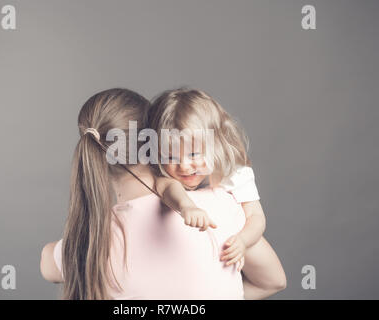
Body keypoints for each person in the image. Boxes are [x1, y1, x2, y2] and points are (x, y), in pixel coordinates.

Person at [40, 88, 286, 299]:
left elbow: (46, 264)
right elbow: (273, 281)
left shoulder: (91, 240)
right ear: (157, 140)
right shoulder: (219, 207)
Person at [147, 88, 266, 270]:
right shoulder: (163, 175)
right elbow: (167, 187)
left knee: (270, 278)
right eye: (171, 157)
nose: (184, 166)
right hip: (189, 256)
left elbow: (256, 217)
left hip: (232, 246)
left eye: (194, 154)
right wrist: (187, 206)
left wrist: (242, 241)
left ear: (216, 144)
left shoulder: (233, 172)